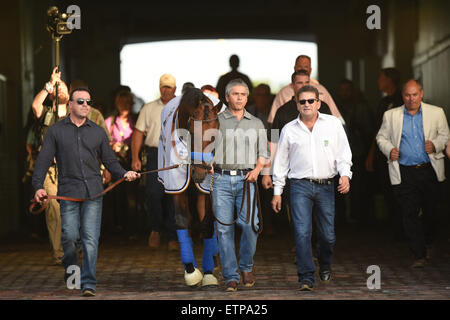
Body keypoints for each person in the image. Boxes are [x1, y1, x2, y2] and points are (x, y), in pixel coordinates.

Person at [32, 87, 140, 296]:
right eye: (80, 101)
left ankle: (89, 282)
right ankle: (72, 272)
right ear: (70, 105)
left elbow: (109, 161)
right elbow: (43, 161)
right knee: (70, 237)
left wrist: (124, 173)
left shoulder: (98, 132)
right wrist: (37, 186)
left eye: (88, 102)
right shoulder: (56, 131)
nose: (85, 105)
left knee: (90, 239)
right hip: (68, 192)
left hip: (93, 193)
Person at [271, 85, 352, 291]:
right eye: (302, 101)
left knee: (328, 235)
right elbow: (280, 162)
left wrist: (345, 175)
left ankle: (324, 263)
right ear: (296, 104)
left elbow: (344, 154)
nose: (306, 104)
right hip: (299, 186)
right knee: (301, 232)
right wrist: (277, 192)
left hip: (326, 185)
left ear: (318, 103)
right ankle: (306, 276)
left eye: (310, 101)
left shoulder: (333, 124)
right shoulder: (289, 129)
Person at [376, 79, 449, 268]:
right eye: (407, 95)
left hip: (429, 170)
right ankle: (419, 254)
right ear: (402, 96)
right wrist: (389, 149)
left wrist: (436, 145)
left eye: (415, 95)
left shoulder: (436, 112)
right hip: (404, 172)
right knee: (409, 213)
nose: (411, 99)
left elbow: (445, 135)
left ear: (421, 94)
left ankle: (429, 241)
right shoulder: (391, 115)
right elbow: (381, 137)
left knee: (432, 211)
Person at [211, 78, 269, 292]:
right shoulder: (216, 120)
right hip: (221, 180)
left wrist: (256, 171)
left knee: (250, 225)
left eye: (243, 94)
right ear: (227, 97)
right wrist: (208, 163)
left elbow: (264, 153)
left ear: (247, 97)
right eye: (235, 94)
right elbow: (206, 150)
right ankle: (230, 275)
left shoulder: (255, 123)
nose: (239, 98)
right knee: (224, 229)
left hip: (247, 180)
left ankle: (246, 266)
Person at [131, 74, 178, 250]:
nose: (166, 90)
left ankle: (173, 235)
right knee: (153, 193)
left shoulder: (182, 107)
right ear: (159, 88)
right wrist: (135, 158)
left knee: (174, 196)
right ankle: (156, 229)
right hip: (155, 153)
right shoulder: (148, 108)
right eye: (163, 87)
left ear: (175, 88)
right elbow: (137, 133)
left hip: (176, 155)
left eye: (169, 87)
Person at [31, 67, 71, 265]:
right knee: (54, 210)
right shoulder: (46, 113)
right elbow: (35, 105)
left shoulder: (76, 114)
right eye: (58, 88)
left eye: (63, 86)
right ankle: (58, 253)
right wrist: (49, 85)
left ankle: (73, 246)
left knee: (73, 209)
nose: (60, 89)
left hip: (72, 170)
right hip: (50, 171)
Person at [267, 55, 343, 125]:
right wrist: (273, 139)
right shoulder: (283, 111)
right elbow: (273, 133)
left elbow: (334, 126)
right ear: (293, 85)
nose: (304, 86)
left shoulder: (323, 107)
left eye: (306, 82)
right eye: (300, 83)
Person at [104, 90, 138, 239]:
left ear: (131, 104)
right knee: (114, 197)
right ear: (116, 104)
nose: (124, 105)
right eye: (121, 103)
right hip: (114, 163)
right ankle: (116, 230)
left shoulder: (136, 121)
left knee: (132, 198)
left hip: (131, 162)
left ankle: (132, 230)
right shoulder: (109, 122)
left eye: (127, 102)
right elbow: (101, 145)